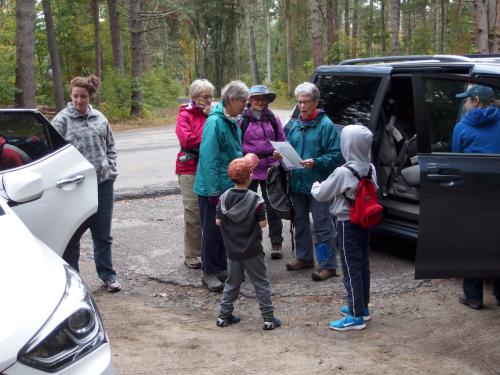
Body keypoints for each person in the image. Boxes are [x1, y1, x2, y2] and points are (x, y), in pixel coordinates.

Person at [52, 75, 121, 293]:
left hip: (102, 184)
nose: (79, 100)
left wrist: (111, 170)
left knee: (102, 235)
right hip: (75, 188)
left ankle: (108, 275)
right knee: (73, 236)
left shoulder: (100, 118)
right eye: (75, 96)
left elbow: (110, 146)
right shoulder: (62, 121)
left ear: (89, 96)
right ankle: (74, 281)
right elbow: (51, 153)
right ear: (70, 95)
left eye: (83, 96)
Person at [273, 82, 342, 281]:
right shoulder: (295, 125)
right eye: (299, 102)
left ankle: (327, 265)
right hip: (298, 182)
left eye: (306, 102)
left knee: (322, 225)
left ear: (316, 102)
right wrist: (280, 156)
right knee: (300, 222)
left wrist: (317, 162)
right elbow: (288, 150)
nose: (302, 106)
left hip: (319, 184)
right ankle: (304, 257)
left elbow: (336, 155)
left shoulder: (326, 125)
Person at [311, 125, 376, 330]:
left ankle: (355, 316)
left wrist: (315, 185)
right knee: (362, 263)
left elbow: (322, 194)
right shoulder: (370, 167)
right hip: (365, 222)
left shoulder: (343, 171)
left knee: (350, 268)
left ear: (347, 144)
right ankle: (362, 306)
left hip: (347, 224)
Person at [193, 80, 249, 292]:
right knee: (210, 231)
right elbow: (209, 159)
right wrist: (213, 190)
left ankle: (220, 268)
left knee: (222, 230)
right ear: (233, 100)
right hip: (212, 188)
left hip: (227, 185)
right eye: (243, 102)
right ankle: (208, 273)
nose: (245, 106)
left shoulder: (231, 120)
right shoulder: (215, 123)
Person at [215, 155, 282, 330]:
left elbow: (218, 222)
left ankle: (224, 315)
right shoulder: (256, 199)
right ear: (250, 176)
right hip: (252, 249)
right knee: (260, 283)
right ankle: (268, 318)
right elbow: (262, 224)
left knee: (232, 283)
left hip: (232, 250)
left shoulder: (223, 198)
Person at [452, 84, 500, 309]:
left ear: (477, 102)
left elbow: (455, 163)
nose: (465, 104)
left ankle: (473, 297)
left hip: (472, 194)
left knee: (472, 243)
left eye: (467, 100)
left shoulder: (461, 127)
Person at [240, 85, 286, 259]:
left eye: (263, 98)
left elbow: (281, 140)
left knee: (273, 205)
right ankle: (253, 244)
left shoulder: (273, 119)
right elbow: (236, 143)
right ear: (250, 101)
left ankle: (276, 243)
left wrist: (280, 156)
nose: (260, 102)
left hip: (270, 167)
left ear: (267, 100)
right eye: (256, 98)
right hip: (248, 167)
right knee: (249, 207)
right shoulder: (241, 120)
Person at [175, 79, 215, 269]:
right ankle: (192, 254)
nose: (208, 100)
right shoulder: (185, 115)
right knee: (193, 212)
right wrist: (208, 137)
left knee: (212, 211)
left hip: (210, 167)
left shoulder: (214, 113)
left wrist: (211, 116)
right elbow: (188, 140)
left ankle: (211, 252)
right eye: (204, 97)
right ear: (194, 97)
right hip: (189, 168)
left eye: (210, 96)